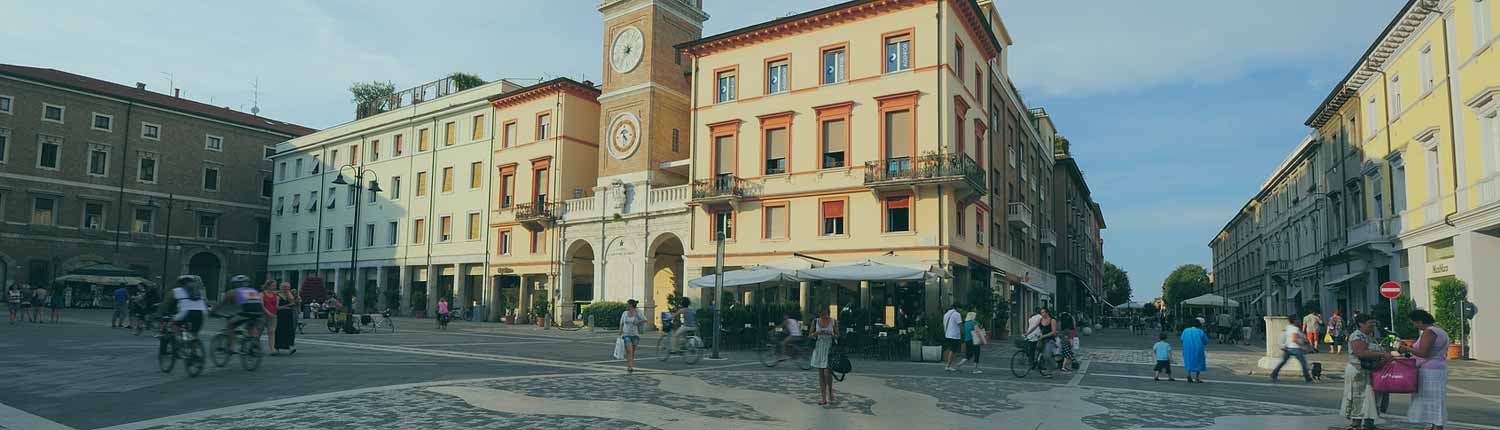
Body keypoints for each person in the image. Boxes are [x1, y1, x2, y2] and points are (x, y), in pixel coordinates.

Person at [1399, 309, 1449, 429]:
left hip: (1429, 370)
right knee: (1436, 399)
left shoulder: (1429, 332)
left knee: (1430, 399)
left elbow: (1423, 352)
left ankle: (1436, 425)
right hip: (1438, 367)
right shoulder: (1440, 331)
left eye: (1414, 323)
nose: (1414, 325)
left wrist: (1407, 349)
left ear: (1420, 321)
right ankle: (1435, 424)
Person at [1342, 313, 1391, 430]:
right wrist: (1382, 354)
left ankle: (1369, 423)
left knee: (1372, 398)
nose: (1372, 326)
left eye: (1373, 323)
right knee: (1358, 397)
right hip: (1358, 372)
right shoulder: (1357, 336)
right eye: (1370, 323)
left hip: (1370, 371)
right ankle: (1356, 424)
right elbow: (1361, 353)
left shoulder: (1369, 336)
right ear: (1361, 324)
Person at [216, 275, 266, 351]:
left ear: (234, 284)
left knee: (230, 326)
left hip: (246, 313)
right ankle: (253, 341)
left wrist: (213, 312)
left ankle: (231, 347)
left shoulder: (232, 292)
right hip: (258, 313)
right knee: (251, 327)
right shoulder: (254, 291)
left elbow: (221, 304)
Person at [1271, 315, 1314, 383]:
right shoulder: (1295, 329)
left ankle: (1274, 374)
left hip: (1288, 348)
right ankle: (1308, 378)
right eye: (1298, 319)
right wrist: (1302, 346)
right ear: (1294, 321)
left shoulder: (1288, 327)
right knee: (1303, 364)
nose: (1299, 321)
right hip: (1296, 348)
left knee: (1283, 362)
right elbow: (1294, 339)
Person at [810, 306, 838, 405]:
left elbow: (838, 335)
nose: (824, 316)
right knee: (821, 373)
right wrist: (817, 333)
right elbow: (810, 335)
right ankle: (823, 398)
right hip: (819, 348)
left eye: (826, 314)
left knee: (827, 372)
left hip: (829, 349)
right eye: (822, 314)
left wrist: (831, 333)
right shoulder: (815, 321)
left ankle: (830, 391)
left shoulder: (834, 321)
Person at [1025, 308, 1057, 378]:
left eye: (1043, 312)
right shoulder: (1041, 320)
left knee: (1047, 355)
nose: (1042, 314)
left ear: (1047, 313)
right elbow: (1034, 327)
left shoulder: (1052, 320)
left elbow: (1054, 332)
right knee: (1039, 353)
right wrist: (1027, 333)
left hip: (1050, 340)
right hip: (1042, 340)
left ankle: (1054, 365)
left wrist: (1044, 335)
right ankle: (1047, 369)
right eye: (1041, 313)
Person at [619, 299, 645, 373]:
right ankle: (630, 366)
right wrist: (620, 332)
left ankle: (630, 364)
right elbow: (621, 323)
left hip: (635, 335)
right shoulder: (624, 313)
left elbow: (645, 320)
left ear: (631, 305)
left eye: (627, 304)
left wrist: (638, 321)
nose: (626, 306)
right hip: (626, 334)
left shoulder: (638, 312)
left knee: (632, 351)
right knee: (629, 351)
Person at [1180, 318, 1209, 383]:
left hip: (1188, 349)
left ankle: (1189, 375)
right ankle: (1197, 378)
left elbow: (1182, 339)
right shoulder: (1200, 331)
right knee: (1198, 362)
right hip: (1198, 349)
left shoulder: (1186, 330)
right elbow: (1205, 341)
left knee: (1189, 361)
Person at [274, 283, 298, 355]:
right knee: (279, 331)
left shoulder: (289, 294)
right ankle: (277, 348)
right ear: (281, 288)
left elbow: (293, 303)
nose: (287, 289)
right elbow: (277, 307)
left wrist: (291, 302)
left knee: (290, 330)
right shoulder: (277, 295)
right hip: (281, 315)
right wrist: (287, 306)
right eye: (285, 288)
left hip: (289, 315)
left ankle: (291, 346)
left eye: (288, 288)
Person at [259, 282, 280, 354]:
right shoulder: (262, 294)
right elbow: (261, 305)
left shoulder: (276, 296)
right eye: (273, 285)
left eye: (275, 285)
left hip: (273, 316)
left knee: (271, 332)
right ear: (268, 286)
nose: (275, 287)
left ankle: (272, 349)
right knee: (259, 331)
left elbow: (276, 306)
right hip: (262, 315)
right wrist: (268, 313)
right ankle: (255, 346)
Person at [942, 304, 963, 372]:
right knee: (953, 350)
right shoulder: (957, 314)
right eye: (960, 308)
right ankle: (948, 366)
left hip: (948, 334)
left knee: (952, 349)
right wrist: (963, 333)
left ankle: (950, 365)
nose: (961, 310)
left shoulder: (946, 314)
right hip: (954, 335)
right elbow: (960, 324)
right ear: (957, 308)